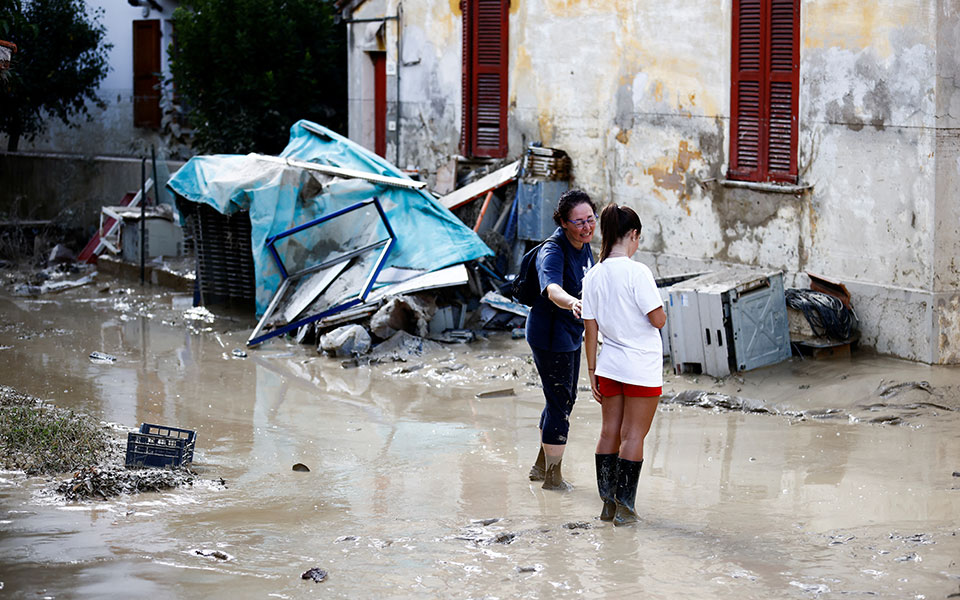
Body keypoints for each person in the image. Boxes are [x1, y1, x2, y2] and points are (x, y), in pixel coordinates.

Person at [581, 203, 666, 524]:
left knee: (609, 432)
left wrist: (591, 372)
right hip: (641, 368)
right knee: (633, 436)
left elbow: (591, 330)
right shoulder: (638, 272)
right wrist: (663, 310)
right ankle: (626, 509)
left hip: (608, 367)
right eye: (638, 238)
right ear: (632, 235)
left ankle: (608, 504)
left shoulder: (593, 275)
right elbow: (657, 320)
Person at [526, 189, 597, 490]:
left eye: (590, 219)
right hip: (549, 333)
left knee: (564, 400)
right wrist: (572, 303)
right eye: (578, 222)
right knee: (559, 402)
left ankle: (540, 466)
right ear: (563, 222)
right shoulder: (553, 251)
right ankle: (553, 478)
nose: (586, 227)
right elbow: (552, 288)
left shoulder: (584, 246)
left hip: (569, 332)